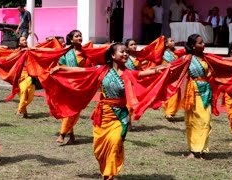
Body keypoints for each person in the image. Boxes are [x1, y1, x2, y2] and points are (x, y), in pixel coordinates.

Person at [50, 42, 167, 180]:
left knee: (115, 141)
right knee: (99, 149)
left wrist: (155, 70)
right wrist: (61, 69)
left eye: (126, 52)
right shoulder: (102, 70)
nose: (125, 54)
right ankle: (106, 170)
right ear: (112, 55)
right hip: (104, 115)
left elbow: (140, 74)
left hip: (120, 116)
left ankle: (108, 175)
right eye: (122, 51)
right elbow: (82, 71)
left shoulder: (127, 73)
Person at [55, 30, 88, 145]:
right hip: (68, 84)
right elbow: (61, 65)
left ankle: (67, 134)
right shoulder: (67, 53)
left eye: (80, 35)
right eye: (77, 36)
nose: (79, 37)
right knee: (70, 110)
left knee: (75, 111)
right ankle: (66, 134)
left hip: (82, 85)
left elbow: (91, 66)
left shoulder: (87, 52)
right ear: (71, 39)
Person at [162, 37, 181, 119]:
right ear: (166, 44)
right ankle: (168, 112)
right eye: (171, 41)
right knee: (168, 93)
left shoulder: (177, 53)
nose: (173, 42)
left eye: (174, 40)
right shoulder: (164, 54)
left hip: (176, 77)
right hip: (167, 76)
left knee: (175, 93)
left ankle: (170, 112)